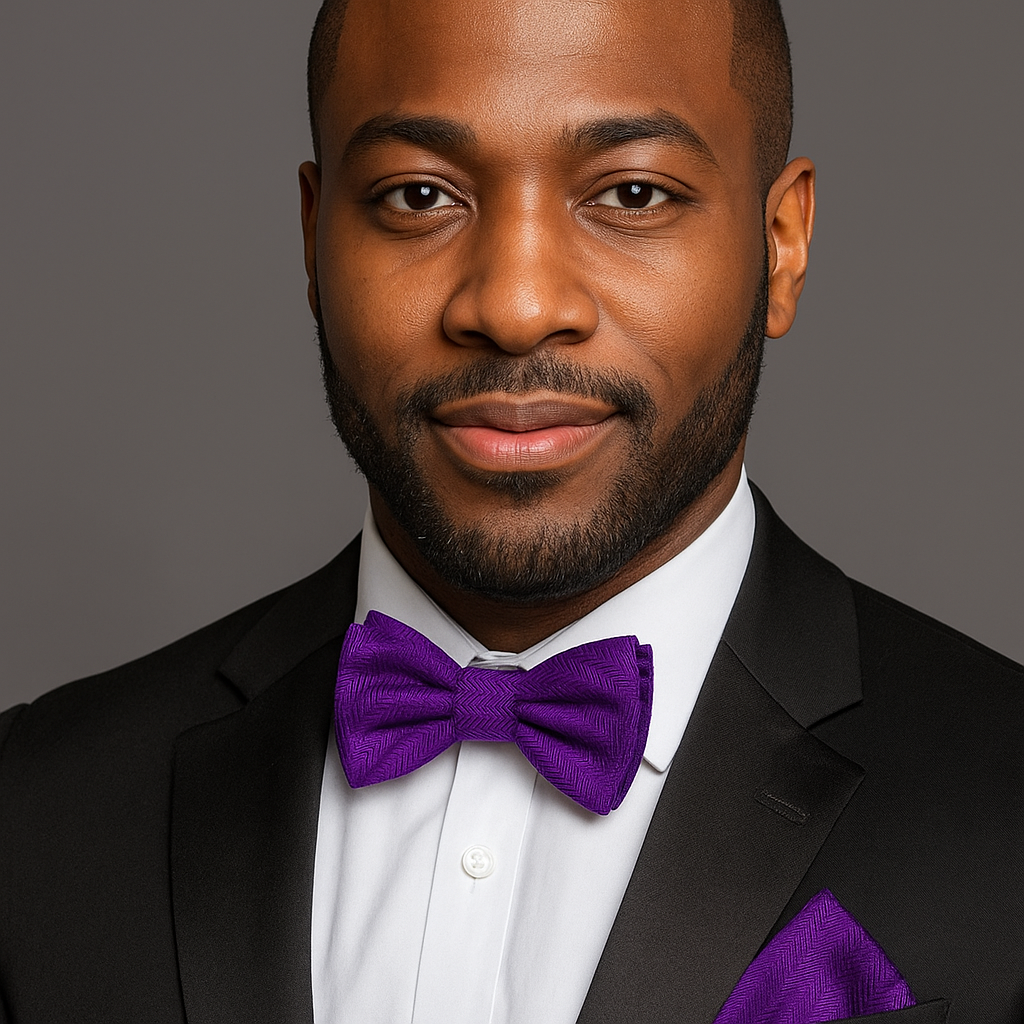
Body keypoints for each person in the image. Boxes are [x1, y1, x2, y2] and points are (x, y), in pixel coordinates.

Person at [0, 0, 1021, 1021]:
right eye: (418, 195)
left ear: (781, 244)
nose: (516, 306)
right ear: (313, 240)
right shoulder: (34, 812)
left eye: (630, 193)